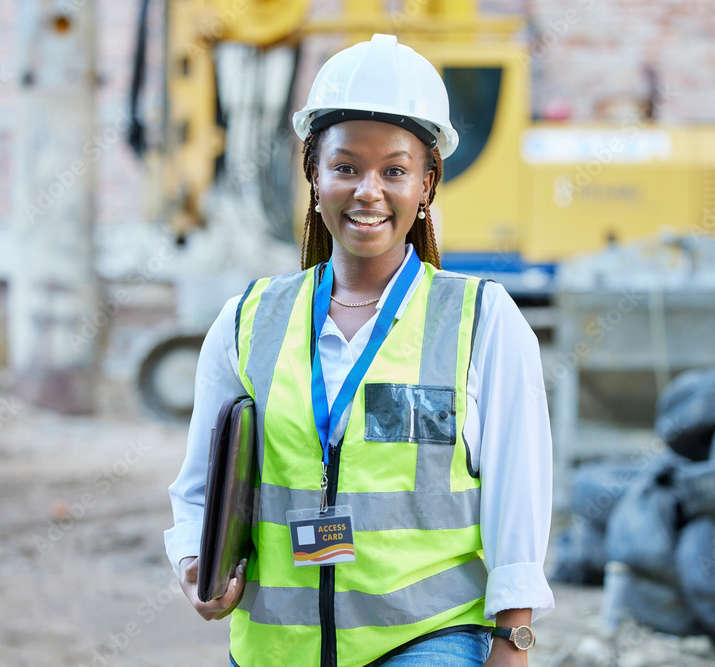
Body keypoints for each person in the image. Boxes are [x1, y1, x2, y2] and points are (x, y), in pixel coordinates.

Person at [164, 34, 554, 667]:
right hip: (275, 648)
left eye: (394, 170)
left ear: (426, 185)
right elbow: (198, 489)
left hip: (425, 637)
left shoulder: (482, 319)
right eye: (346, 166)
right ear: (314, 175)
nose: (369, 189)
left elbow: (518, 489)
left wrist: (513, 641)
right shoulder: (247, 320)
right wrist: (193, 561)